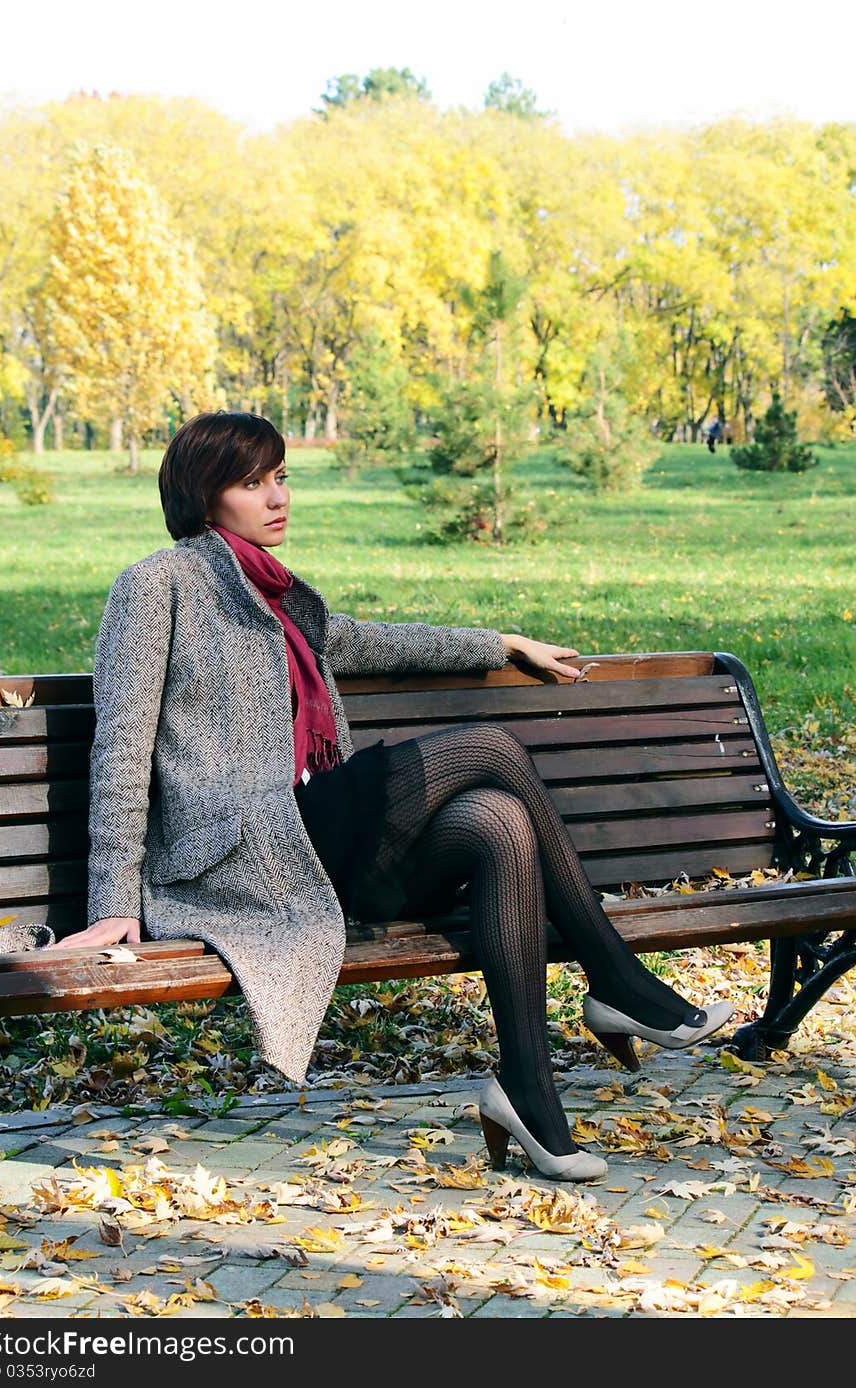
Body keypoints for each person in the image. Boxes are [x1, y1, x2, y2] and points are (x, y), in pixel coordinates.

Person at [51, 412, 732, 1182]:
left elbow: (366, 640)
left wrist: (498, 645)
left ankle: (528, 1095)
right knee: (490, 748)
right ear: (204, 498)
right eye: (252, 484)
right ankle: (614, 980)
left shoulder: (279, 595)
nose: (277, 498)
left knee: (498, 823)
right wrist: (114, 898)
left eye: (281, 478)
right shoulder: (155, 585)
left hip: (320, 853)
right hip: (244, 854)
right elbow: (122, 746)